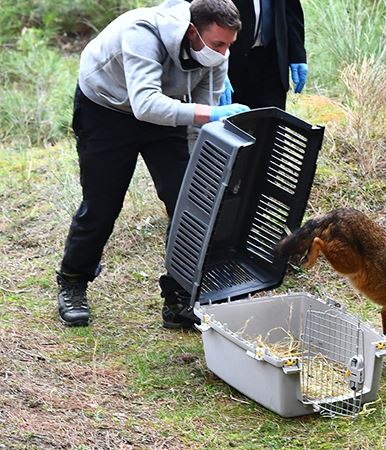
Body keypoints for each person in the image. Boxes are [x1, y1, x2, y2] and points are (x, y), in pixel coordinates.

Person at [56, 0, 249, 329]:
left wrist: (196, 171)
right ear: (192, 31)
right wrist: (214, 114)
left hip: (166, 113)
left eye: (229, 45)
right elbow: (145, 103)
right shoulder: (142, 31)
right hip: (107, 108)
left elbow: (199, 119)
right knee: (102, 204)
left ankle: (179, 296)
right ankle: (73, 280)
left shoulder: (218, 53)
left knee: (189, 205)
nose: (223, 52)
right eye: (217, 44)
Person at [225, 0, 308, 109]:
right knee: (230, 118)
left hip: (271, 58)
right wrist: (217, 65)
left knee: (270, 119)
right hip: (230, 57)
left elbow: (291, 9)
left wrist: (297, 55)